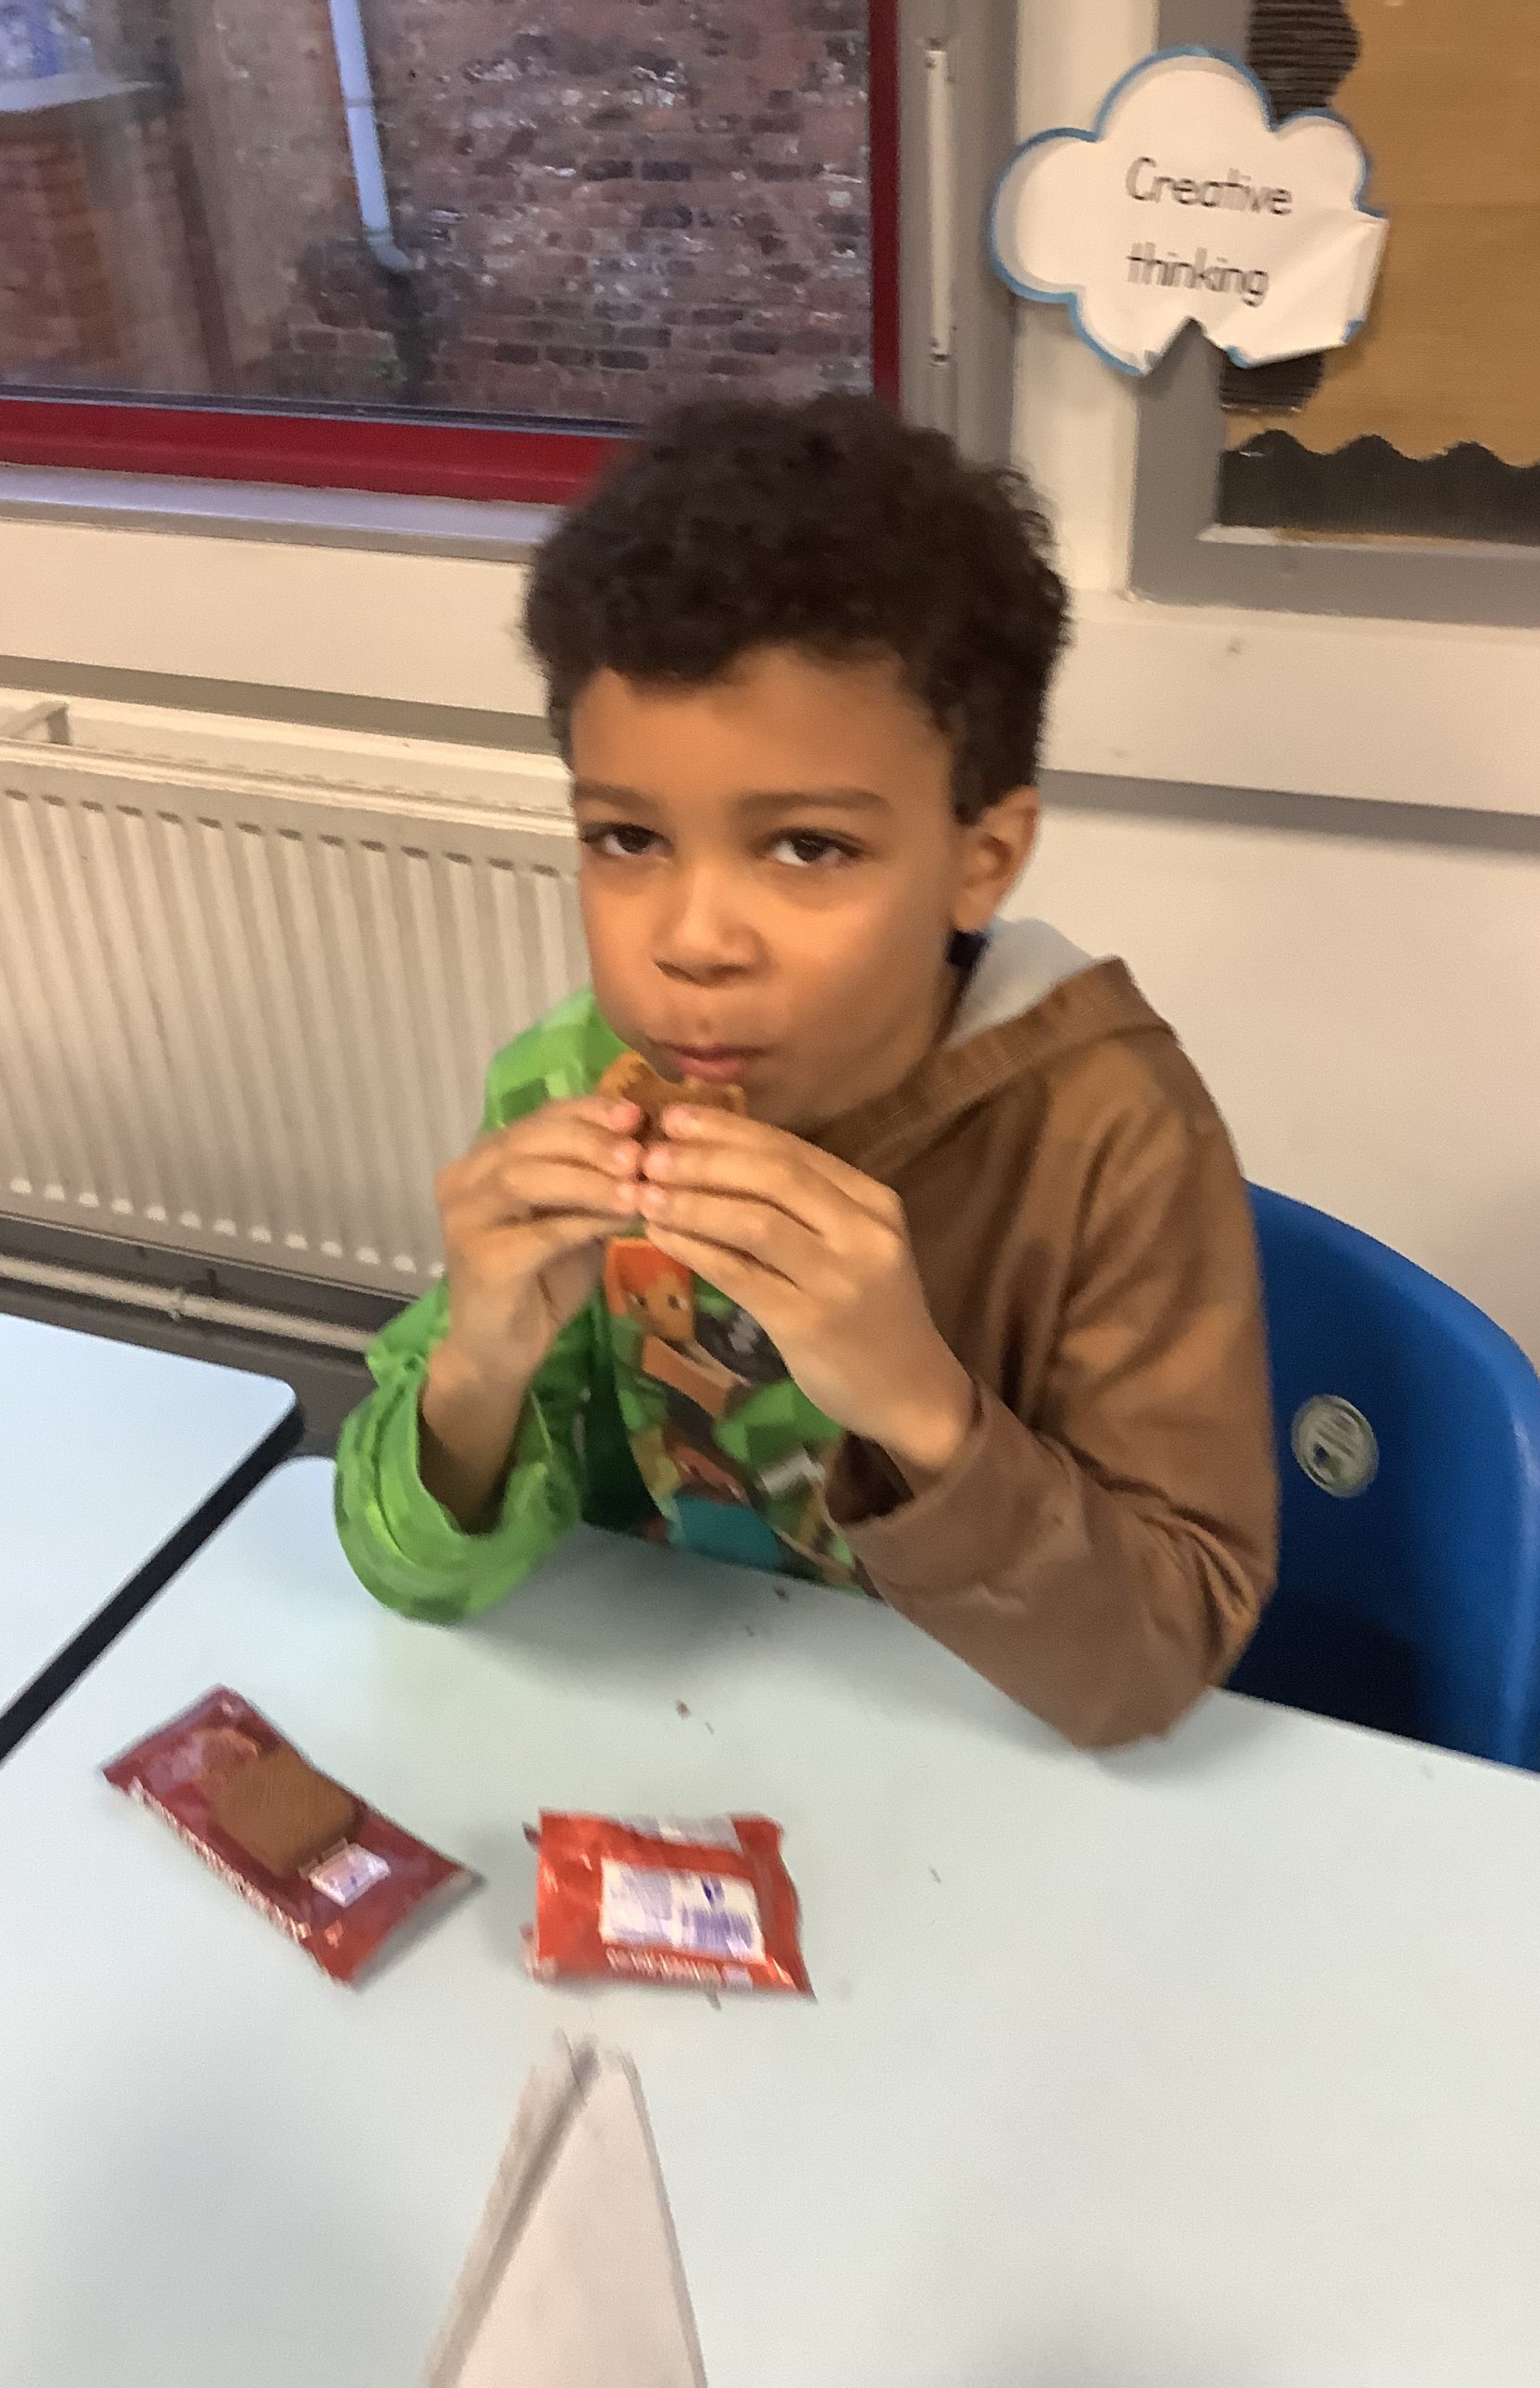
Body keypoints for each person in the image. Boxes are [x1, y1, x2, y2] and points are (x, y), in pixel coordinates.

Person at [334, 393, 1277, 1747]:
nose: (693, 943)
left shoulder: (1115, 1136)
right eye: (627, 839)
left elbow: (1154, 1664)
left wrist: (919, 1404)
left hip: (981, 1758)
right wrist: (478, 1368)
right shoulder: (573, 1080)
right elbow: (407, 1576)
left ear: (982, 860)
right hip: (659, 1732)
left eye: (808, 849)